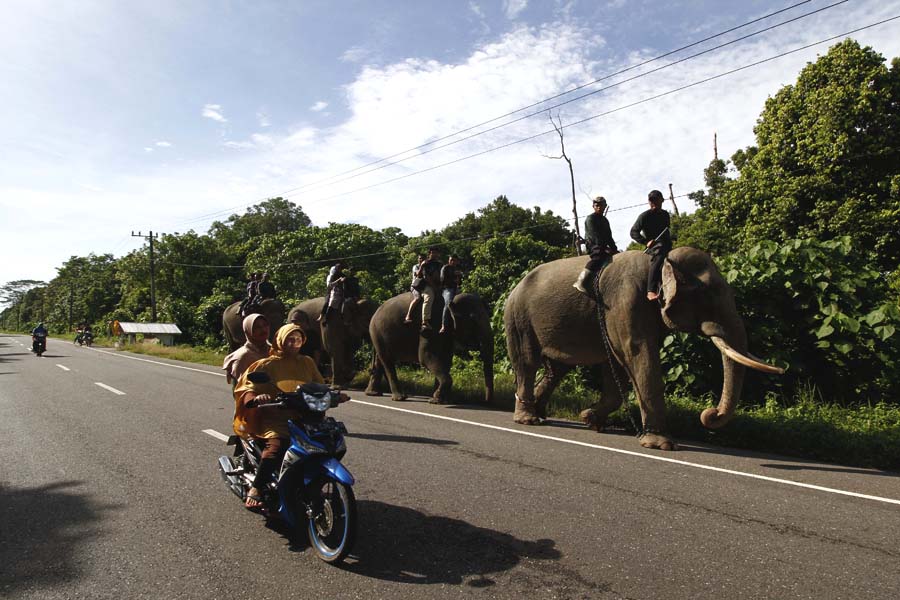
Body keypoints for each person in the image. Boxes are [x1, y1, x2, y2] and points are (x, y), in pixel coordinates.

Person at [232, 324, 348, 511]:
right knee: (276, 448)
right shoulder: (266, 364)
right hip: (276, 417)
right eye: (290, 340)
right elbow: (247, 387)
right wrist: (256, 398)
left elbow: (319, 384)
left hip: (307, 416)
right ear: (280, 341)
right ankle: (257, 488)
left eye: (298, 340)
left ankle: (313, 478)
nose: (294, 343)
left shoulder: (307, 362)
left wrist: (334, 395)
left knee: (333, 443)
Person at [630, 189, 672, 301]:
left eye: (656, 200)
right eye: (651, 201)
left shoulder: (665, 215)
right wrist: (645, 242)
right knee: (659, 257)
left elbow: (666, 231)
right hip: (654, 247)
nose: (653, 203)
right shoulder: (644, 216)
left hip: (666, 245)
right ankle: (651, 290)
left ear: (662, 200)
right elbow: (633, 232)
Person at [573, 196, 619, 294]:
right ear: (593, 206)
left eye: (601, 205)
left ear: (605, 206)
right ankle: (581, 281)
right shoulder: (591, 218)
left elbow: (609, 236)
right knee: (598, 257)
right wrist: (604, 248)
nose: (599, 207)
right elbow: (594, 236)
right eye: (596, 205)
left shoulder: (605, 221)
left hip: (603, 245)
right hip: (593, 245)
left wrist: (614, 248)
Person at [222, 313, 271, 387]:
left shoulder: (274, 350)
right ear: (248, 330)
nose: (263, 330)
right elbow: (244, 385)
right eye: (257, 327)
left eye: (265, 325)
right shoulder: (243, 356)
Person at [418, 248, 443, 331]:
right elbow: (426, 277)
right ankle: (425, 321)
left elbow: (442, 276)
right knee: (429, 297)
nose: (435, 254)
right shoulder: (426, 263)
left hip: (438, 285)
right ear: (429, 254)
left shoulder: (440, 264)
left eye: (436, 253)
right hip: (427, 285)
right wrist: (435, 288)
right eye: (433, 253)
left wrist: (441, 285)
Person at [439, 255, 462, 334]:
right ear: (449, 260)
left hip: (456, 289)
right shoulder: (445, 268)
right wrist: (453, 276)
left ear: (457, 261)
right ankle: (443, 325)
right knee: (448, 303)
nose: (453, 262)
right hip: (447, 289)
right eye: (451, 260)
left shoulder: (457, 269)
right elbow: (442, 280)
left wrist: (459, 277)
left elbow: (459, 282)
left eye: (454, 260)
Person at [318, 262, 345, 326]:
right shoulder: (333, 276)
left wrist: (345, 281)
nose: (339, 269)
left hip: (342, 291)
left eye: (340, 268)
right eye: (338, 268)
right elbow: (330, 285)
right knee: (329, 302)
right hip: (333, 291)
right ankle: (326, 319)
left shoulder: (343, 275)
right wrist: (338, 280)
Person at [404, 254, 426, 324]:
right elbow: (418, 274)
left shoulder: (427, 267)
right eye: (420, 258)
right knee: (417, 298)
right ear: (418, 259)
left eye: (423, 258)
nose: (421, 260)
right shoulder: (415, 266)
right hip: (415, 286)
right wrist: (422, 266)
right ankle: (408, 315)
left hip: (423, 286)